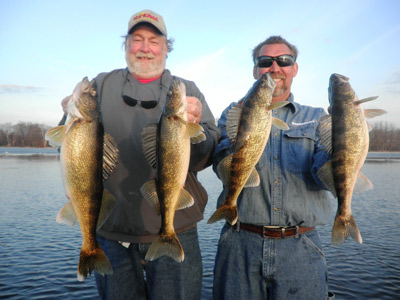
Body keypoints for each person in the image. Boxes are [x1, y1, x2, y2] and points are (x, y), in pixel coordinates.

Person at [60, 9, 219, 300]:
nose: (145, 47)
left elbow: (205, 156)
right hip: (112, 232)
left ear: (166, 47)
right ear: (126, 45)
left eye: (154, 40)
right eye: (137, 39)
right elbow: (68, 148)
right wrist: (68, 116)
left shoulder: (186, 91)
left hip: (177, 228)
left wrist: (196, 130)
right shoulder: (100, 85)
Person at [211, 35, 334, 299]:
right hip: (239, 244)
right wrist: (244, 129)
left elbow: (325, 176)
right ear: (256, 70)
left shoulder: (317, 118)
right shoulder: (232, 113)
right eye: (265, 61)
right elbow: (221, 164)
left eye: (284, 61)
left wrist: (344, 148)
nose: (275, 67)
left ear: (295, 69)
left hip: (301, 248)